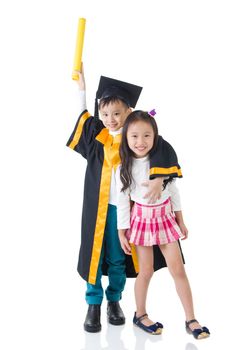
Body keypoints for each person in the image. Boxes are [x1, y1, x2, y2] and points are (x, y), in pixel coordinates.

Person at [66, 68, 183, 333]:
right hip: (96, 210)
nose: (110, 120)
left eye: (117, 114)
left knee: (119, 257)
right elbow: (83, 118)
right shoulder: (98, 138)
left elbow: (162, 149)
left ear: (129, 112)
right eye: (105, 114)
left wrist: (158, 180)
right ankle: (93, 304)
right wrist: (81, 89)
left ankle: (114, 301)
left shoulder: (135, 140)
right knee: (95, 257)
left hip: (127, 213)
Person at [116, 110, 210, 339]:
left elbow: (174, 191)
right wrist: (122, 232)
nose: (140, 142)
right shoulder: (123, 168)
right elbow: (122, 202)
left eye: (147, 135)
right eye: (134, 136)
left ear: (156, 136)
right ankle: (140, 314)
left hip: (165, 219)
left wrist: (181, 219)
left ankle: (191, 319)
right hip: (141, 221)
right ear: (126, 138)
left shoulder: (162, 161)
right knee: (145, 271)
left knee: (178, 269)